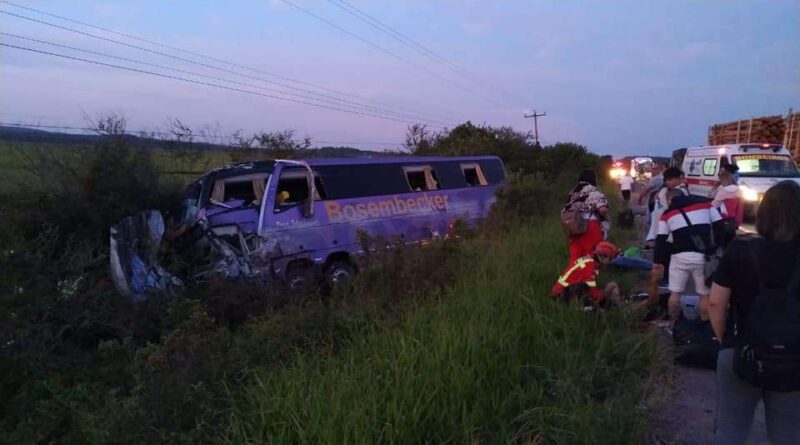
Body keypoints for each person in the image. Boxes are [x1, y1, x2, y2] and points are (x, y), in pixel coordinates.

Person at [708, 181, 800, 445]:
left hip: (741, 351)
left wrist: (724, 338)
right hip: (794, 360)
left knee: (731, 430)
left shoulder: (741, 249)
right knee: (789, 435)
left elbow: (716, 303)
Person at [654, 188, 724, 324]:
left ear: (669, 200)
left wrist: (657, 261)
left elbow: (661, 240)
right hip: (703, 257)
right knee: (704, 295)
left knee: (675, 294)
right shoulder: (706, 205)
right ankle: (705, 325)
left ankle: (674, 325)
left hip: (679, 257)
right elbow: (720, 225)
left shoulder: (666, 215)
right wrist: (717, 245)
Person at [551, 241, 621, 309]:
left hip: (565, 291)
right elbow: (591, 290)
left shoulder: (590, 262)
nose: (610, 261)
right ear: (602, 256)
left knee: (612, 285)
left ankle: (616, 305)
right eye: (610, 258)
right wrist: (603, 297)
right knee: (590, 293)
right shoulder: (590, 266)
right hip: (562, 295)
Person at [562, 170, 609, 263]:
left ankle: (573, 276)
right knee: (591, 257)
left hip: (574, 227)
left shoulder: (573, 191)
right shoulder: (594, 191)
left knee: (575, 258)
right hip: (590, 226)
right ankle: (588, 276)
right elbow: (603, 209)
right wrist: (604, 218)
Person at [646, 167, 689, 245]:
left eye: (670, 180)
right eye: (666, 180)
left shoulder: (681, 192)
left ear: (678, 179)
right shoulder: (664, 190)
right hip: (660, 225)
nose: (668, 182)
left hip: (671, 228)